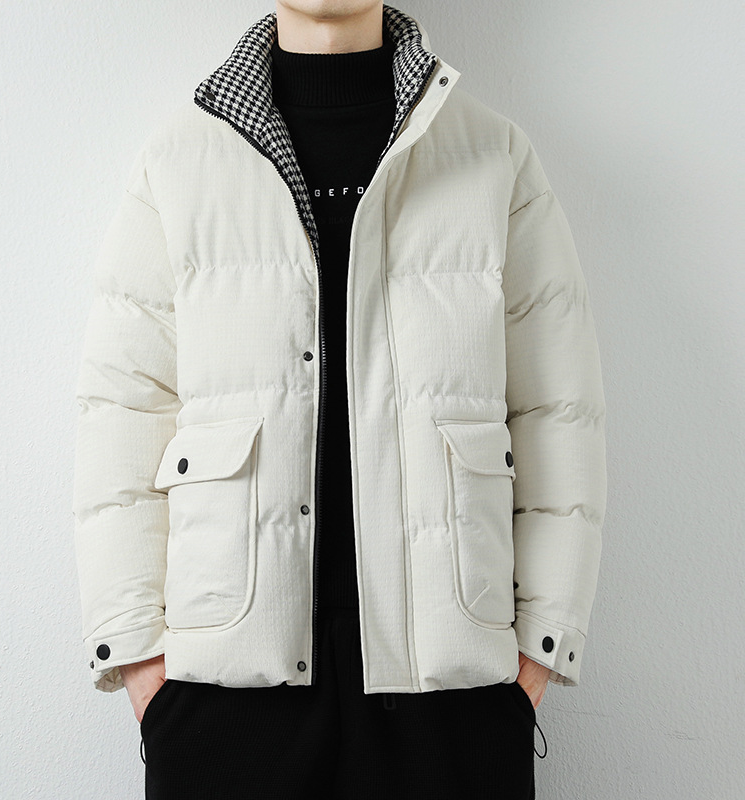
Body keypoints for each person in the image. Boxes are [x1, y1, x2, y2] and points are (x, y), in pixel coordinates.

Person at [72, 2, 607, 797]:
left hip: (453, 702)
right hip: (223, 702)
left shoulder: (494, 158)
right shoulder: (177, 165)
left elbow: (558, 413)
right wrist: (142, 666)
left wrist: (538, 656)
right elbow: (121, 414)